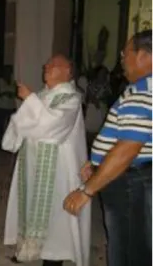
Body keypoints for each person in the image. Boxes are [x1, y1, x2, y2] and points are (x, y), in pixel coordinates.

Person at [63, 30, 152, 266]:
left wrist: (86, 191)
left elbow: (128, 148)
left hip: (130, 182)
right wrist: (97, 164)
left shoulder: (141, 93)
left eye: (125, 53)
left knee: (127, 250)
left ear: (143, 56)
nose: (122, 59)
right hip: (135, 176)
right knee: (137, 245)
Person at [3, 55, 90, 266]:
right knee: (29, 203)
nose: (46, 67)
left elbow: (53, 126)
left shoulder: (71, 98)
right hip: (31, 161)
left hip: (57, 168)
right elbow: (22, 121)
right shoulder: (43, 95)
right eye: (47, 64)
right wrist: (30, 104)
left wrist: (30, 100)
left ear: (68, 72)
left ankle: (53, 256)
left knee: (55, 213)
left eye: (53, 65)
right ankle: (27, 248)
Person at [0, 65, 17, 143]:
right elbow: (0, 92)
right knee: (0, 125)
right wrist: (8, 93)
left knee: (10, 126)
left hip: (11, 106)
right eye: (6, 70)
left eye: (10, 71)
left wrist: (8, 93)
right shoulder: (0, 80)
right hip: (1, 105)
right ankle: (0, 142)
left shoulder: (13, 80)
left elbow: (15, 92)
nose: (8, 72)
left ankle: (7, 142)